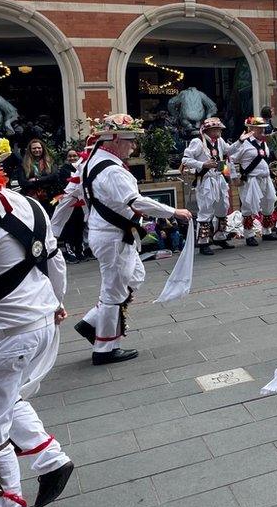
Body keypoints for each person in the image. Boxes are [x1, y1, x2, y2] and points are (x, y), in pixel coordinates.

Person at [0, 137, 76, 507]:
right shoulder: (27, 204)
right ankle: (51, 459)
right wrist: (57, 302)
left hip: (6, 336)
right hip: (39, 322)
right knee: (3, 396)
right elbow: (56, 264)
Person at [71, 114, 191, 365]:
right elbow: (135, 202)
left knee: (134, 275)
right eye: (130, 140)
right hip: (112, 236)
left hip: (108, 233)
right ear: (114, 140)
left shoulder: (93, 160)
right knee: (114, 289)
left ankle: (91, 321)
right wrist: (173, 211)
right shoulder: (112, 170)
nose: (133, 146)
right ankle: (104, 349)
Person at [182, 117, 235, 256]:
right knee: (205, 210)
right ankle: (203, 242)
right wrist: (203, 164)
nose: (219, 131)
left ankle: (220, 237)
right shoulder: (198, 142)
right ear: (208, 130)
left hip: (219, 179)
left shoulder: (219, 141)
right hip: (206, 181)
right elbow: (185, 159)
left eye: (219, 129)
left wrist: (228, 176)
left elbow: (226, 155)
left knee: (223, 207)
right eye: (216, 129)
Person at [230, 116, 277, 245]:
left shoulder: (263, 143)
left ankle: (267, 231)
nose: (262, 131)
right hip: (250, 180)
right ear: (251, 129)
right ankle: (249, 235)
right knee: (248, 206)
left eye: (263, 128)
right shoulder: (244, 143)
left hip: (265, 178)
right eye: (258, 128)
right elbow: (230, 160)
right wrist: (235, 178)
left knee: (269, 201)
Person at [55, 148, 85, 263]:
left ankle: (79, 250)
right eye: (70, 156)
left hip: (80, 202)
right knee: (70, 227)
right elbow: (65, 186)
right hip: (69, 201)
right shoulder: (64, 170)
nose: (72, 158)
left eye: (75, 156)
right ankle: (70, 251)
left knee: (79, 226)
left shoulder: (82, 168)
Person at [18, 138, 59, 215]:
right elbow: (22, 182)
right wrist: (45, 181)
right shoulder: (23, 164)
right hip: (31, 199)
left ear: (42, 149)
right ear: (30, 150)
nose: (37, 150)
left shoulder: (50, 161)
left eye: (39, 148)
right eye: (34, 148)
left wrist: (36, 180)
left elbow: (54, 176)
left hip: (49, 198)